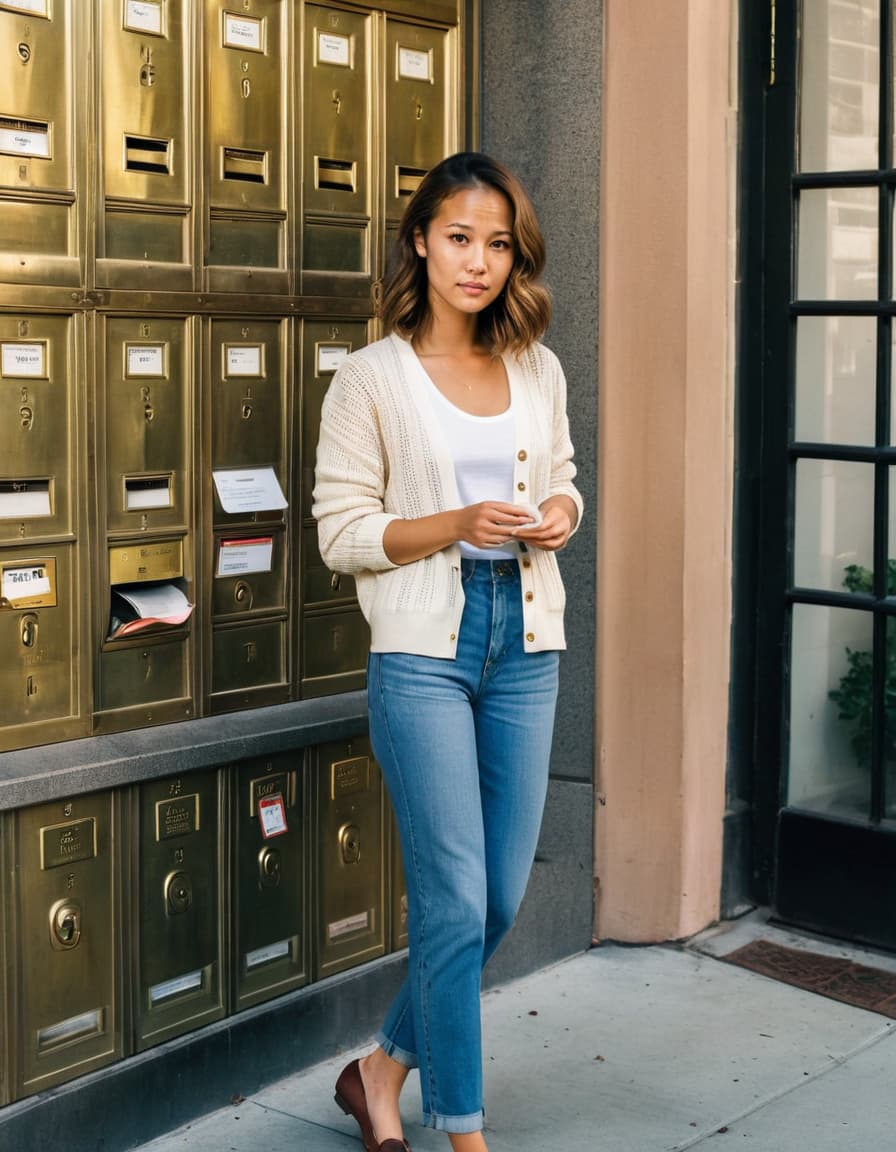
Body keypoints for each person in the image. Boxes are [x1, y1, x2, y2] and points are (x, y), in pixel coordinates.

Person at [313, 151, 583, 1152]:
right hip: (422, 652)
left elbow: (561, 474)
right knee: (452, 900)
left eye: (497, 243)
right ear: (420, 240)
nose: (477, 261)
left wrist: (555, 511)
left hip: (522, 639)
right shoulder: (371, 380)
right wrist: (452, 522)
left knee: (497, 899)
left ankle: (378, 1069)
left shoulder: (534, 368)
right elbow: (339, 534)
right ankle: (462, 1132)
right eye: (459, 237)